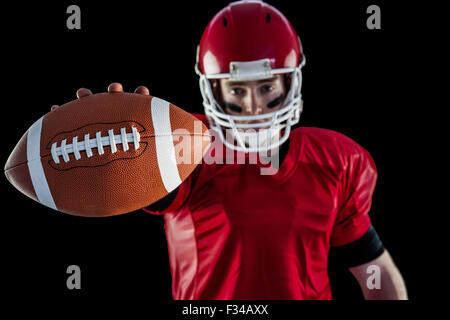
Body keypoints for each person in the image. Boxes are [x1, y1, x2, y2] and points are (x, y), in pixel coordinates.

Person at [58, 0, 407, 300]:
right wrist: (116, 150)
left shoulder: (338, 161)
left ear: (290, 82)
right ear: (214, 91)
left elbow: (374, 270)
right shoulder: (184, 144)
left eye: (267, 86)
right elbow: (143, 175)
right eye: (238, 91)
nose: (254, 107)